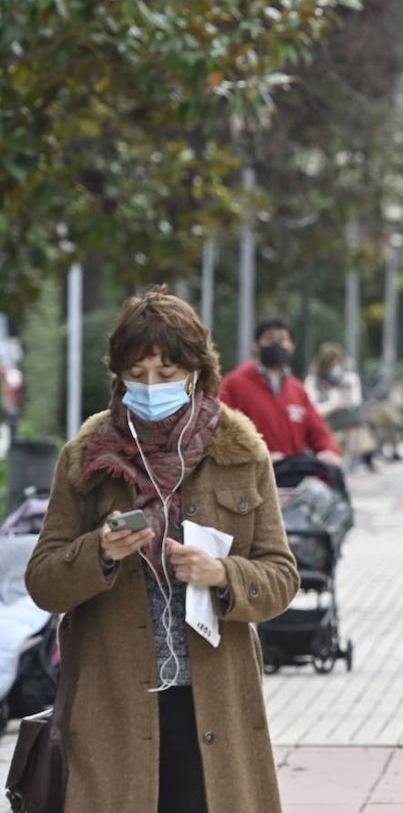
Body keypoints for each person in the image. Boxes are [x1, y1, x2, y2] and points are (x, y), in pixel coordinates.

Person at [25, 288, 300, 812]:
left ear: (196, 371)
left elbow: (282, 577)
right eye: (139, 372)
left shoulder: (241, 454)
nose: (152, 386)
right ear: (118, 374)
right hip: (112, 705)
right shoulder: (85, 459)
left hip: (214, 703)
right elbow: (43, 582)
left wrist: (222, 573)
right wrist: (100, 552)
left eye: (167, 372)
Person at [219, 318, 342, 467]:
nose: (276, 344)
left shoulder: (298, 389)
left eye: (283, 339)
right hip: (252, 476)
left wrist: (328, 451)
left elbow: (319, 430)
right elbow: (222, 432)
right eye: (269, 338)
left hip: (293, 474)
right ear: (256, 345)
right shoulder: (234, 384)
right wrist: (253, 455)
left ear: (291, 346)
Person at [305, 342, 377, 471]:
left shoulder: (350, 379)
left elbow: (356, 402)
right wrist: (333, 405)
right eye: (331, 364)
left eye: (337, 363)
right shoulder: (313, 381)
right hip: (325, 428)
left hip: (346, 428)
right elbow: (312, 409)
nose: (335, 368)